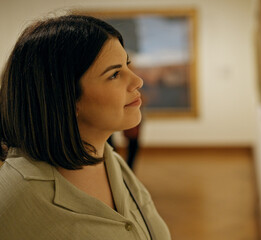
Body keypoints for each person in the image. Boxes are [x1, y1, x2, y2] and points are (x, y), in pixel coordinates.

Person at [0, 14, 170, 240]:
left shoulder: (111, 161)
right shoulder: (16, 202)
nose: (138, 81)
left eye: (127, 65)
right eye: (115, 74)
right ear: (64, 97)